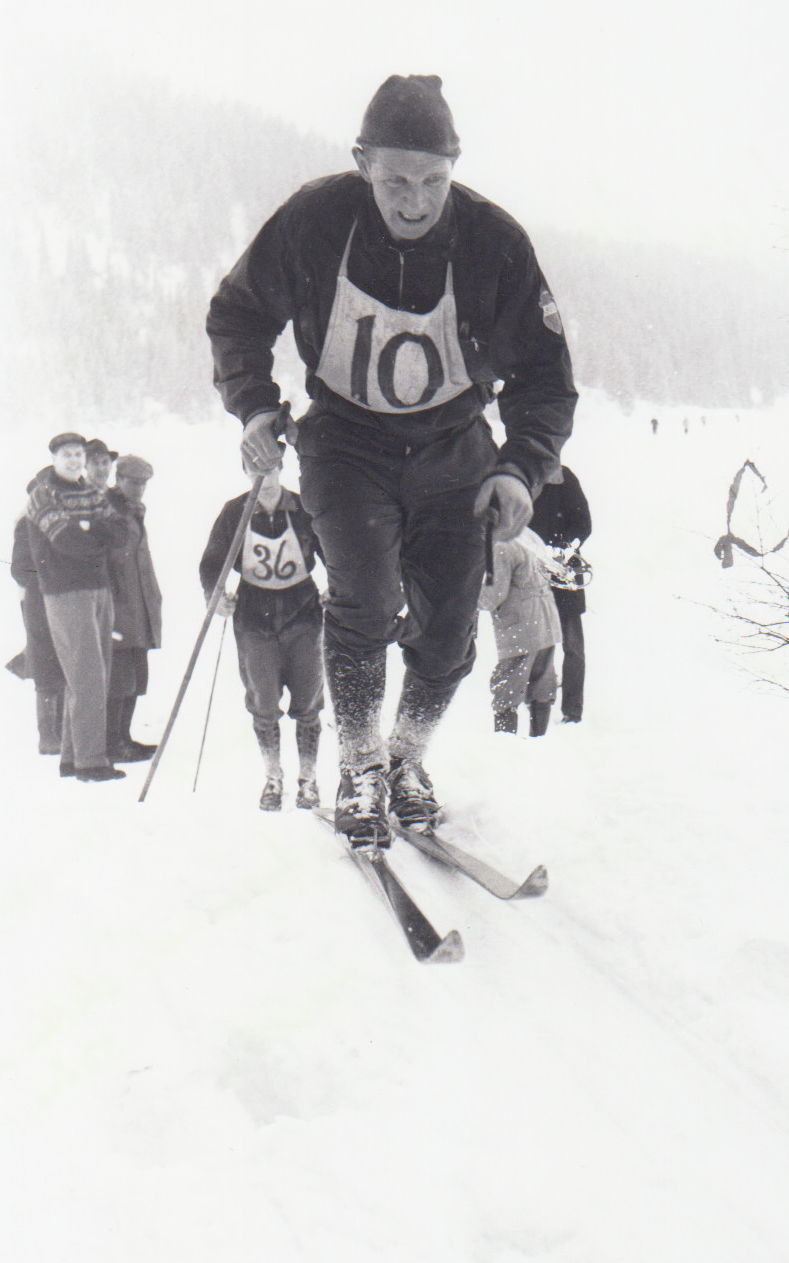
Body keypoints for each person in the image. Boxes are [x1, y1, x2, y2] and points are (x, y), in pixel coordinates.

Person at [206, 74, 577, 848]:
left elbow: (545, 378)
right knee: (366, 601)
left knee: (449, 628)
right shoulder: (316, 220)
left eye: (433, 181)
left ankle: (406, 758)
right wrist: (256, 406)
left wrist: (520, 467)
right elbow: (238, 314)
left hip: (453, 448)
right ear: (362, 163)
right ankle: (360, 765)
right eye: (396, 181)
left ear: (455, 167)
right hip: (345, 443)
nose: (415, 201)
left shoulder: (494, 243)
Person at [200, 464, 326, 811]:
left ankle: (308, 779)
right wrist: (215, 594)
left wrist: (339, 588)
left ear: (280, 468)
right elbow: (212, 561)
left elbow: (333, 552)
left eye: (269, 470)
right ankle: (273, 777)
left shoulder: (303, 507)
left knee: (308, 697)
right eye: (256, 471)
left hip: (302, 610)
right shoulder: (235, 511)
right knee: (263, 699)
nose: (264, 480)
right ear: (245, 472)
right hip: (254, 615)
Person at [25, 432, 129, 782]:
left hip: (99, 589)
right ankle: (91, 763)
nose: (74, 461)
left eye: (78, 455)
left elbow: (121, 532)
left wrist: (89, 529)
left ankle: (72, 758)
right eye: (67, 454)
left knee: (95, 674)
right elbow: (67, 541)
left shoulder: (90, 492)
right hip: (66, 593)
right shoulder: (43, 495)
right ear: (54, 458)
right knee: (87, 677)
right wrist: (96, 533)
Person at [106, 454, 163, 762]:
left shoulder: (134, 512)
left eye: (144, 483)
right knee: (120, 679)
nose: (139, 488)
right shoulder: (110, 510)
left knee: (136, 678)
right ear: (118, 480)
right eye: (133, 482)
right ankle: (112, 743)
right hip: (118, 608)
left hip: (138, 608)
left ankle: (124, 738)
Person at [478, 536, 561, 736]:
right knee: (542, 684)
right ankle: (538, 741)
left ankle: (505, 746)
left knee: (507, 688)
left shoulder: (501, 546)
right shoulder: (529, 536)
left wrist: (468, 595)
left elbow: (493, 596)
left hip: (521, 626)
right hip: (546, 621)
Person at [528, 465, 592, 723]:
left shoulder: (564, 478)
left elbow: (583, 524)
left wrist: (562, 550)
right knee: (535, 644)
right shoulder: (523, 477)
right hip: (531, 574)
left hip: (565, 576)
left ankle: (572, 712)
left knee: (573, 647)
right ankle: (538, 703)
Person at [7, 495, 65, 754]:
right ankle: (49, 736)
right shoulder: (27, 519)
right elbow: (20, 569)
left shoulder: (63, 516)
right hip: (38, 602)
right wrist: (46, 580)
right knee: (45, 665)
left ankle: (63, 732)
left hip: (64, 599)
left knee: (65, 661)